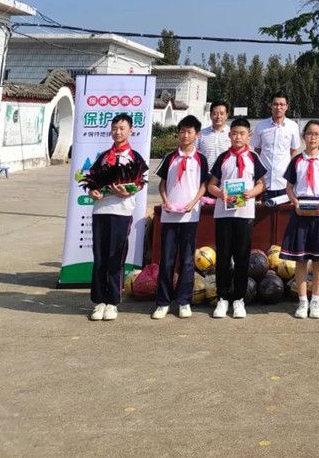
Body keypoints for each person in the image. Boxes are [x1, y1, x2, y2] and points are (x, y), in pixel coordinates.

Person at [87, 113, 149, 321]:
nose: (117, 132)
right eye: (114, 128)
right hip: (100, 212)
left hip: (121, 212)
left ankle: (112, 302)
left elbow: (140, 183)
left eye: (122, 128)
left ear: (130, 131)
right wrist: (91, 192)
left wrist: (128, 191)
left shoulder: (135, 158)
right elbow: (91, 181)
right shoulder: (104, 157)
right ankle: (98, 302)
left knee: (116, 258)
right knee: (99, 258)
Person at [208, 118, 267, 318]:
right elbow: (211, 185)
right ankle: (222, 298)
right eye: (234, 133)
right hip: (223, 214)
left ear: (248, 136)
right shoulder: (223, 158)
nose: (238, 137)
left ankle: (239, 299)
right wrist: (219, 193)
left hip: (245, 214)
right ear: (229, 135)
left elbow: (261, 183)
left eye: (242, 133)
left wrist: (253, 192)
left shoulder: (253, 158)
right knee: (223, 257)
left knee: (242, 257)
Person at [282, 120, 319, 319]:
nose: (313, 137)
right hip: (300, 210)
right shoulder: (297, 160)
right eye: (309, 133)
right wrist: (295, 202)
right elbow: (289, 186)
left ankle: (315, 301)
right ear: (303, 136)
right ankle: (302, 301)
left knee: (318, 260)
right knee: (300, 259)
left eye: (317, 134)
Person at [153, 115, 209, 319]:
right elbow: (161, 183)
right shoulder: (170, 157)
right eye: (182, 131)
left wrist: (193, 204)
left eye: (190, 132)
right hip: (169, 216)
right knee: (166, 260)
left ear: (197, 135)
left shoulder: (201, 159)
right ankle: (163, 302)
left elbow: (204, 185)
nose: (185, 135)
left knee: (186, 260)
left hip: (190, 216)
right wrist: (165, 201)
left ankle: (184, 301)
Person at [251, 92, 301, 204]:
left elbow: (293, 151)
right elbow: (257, 151)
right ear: (271, 106)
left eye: (282, 104)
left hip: (283, 182)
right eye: (275, 104)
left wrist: (291, 175)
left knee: (283, 217)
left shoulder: (293, 126)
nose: (278, 107)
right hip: (263, 182)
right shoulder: (261, 126)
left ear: (287, 106)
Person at [198, 101, 231, 167]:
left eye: (221, 114)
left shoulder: (232, 133)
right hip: (206, 174)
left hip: (225, 175)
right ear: (210, 115)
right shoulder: (201, 133)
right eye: (215, 113)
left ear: (226, 115)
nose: (218, 116)